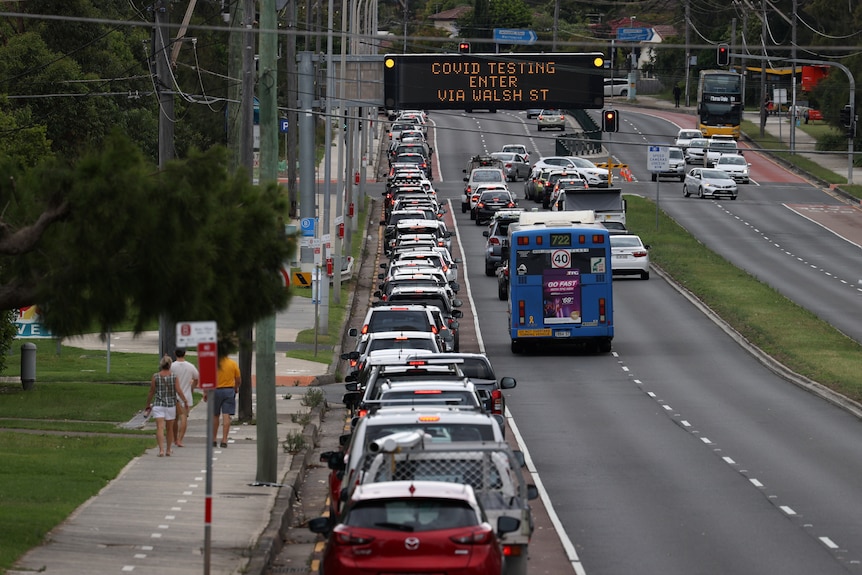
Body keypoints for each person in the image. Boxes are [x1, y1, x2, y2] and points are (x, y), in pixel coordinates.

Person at [144, 355, 187, 457]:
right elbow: (178, 390)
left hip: (158, 404)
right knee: (169, 428)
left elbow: (151, 392)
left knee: (159, 427)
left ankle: (161, 450)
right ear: (170, 365)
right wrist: (185, 400)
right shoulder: (174, 376)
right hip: (171, 405)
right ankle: (168, 449)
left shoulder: (155, 376)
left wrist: (147, 404)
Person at [204, 352, 241, 448]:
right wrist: (236, 387)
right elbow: (238, 378)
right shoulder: (232, 364)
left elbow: (207, 378)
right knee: (226, 415)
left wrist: (205, 392)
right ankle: (224, 439)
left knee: (215, 415)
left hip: (215, 391)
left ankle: (213, 439)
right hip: (229, 390)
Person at [170, 347, 199, 449]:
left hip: (174, 396)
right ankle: (180, 439)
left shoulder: (172, 366)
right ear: (185, 354)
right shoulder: (190, 366)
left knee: (174, 418)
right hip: (186, 395)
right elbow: (196, 378)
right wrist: (192, 387)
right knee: (184, 418)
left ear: (175, 353)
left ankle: (174, 438)